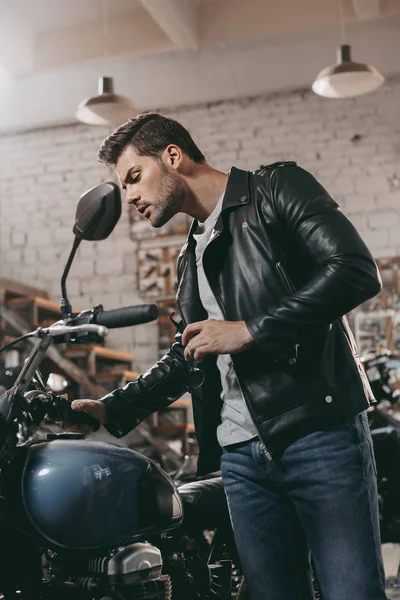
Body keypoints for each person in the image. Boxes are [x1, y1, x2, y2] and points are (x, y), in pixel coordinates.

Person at [71, 112, 387, 600]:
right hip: (240, 459)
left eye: (135, 176)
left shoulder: (275, 191)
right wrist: (114, 407)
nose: (129, 196)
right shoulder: (190, 255)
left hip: (318, 434)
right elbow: (190, 353)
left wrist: (252, 330)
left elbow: (355, 270)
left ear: (173, 156)